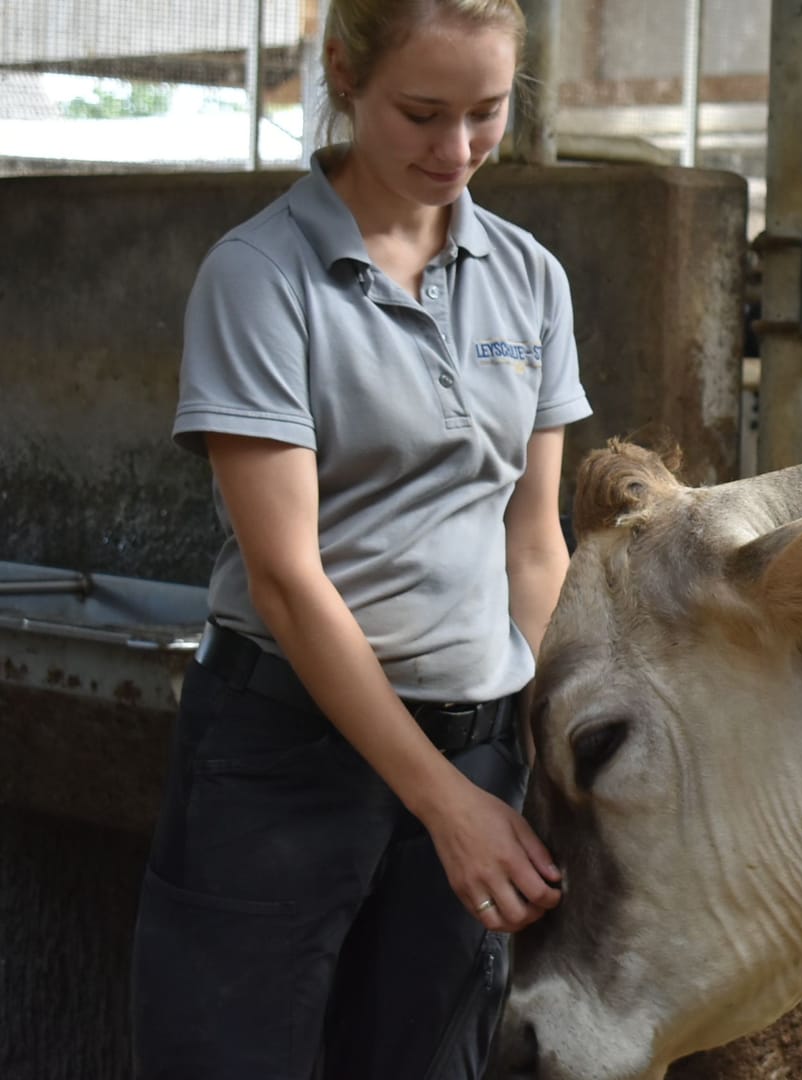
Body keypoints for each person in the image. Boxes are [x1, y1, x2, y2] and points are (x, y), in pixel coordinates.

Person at [130, 1, 588, 1076]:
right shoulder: (260, 277)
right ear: (343, 74)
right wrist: (447, 805)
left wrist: (528, 756)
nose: (457, 150)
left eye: (486, 113)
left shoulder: (531, 277)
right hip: (284, 755)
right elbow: (288, 583)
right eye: (422, 114)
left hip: (479, 749)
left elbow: (535, 544)